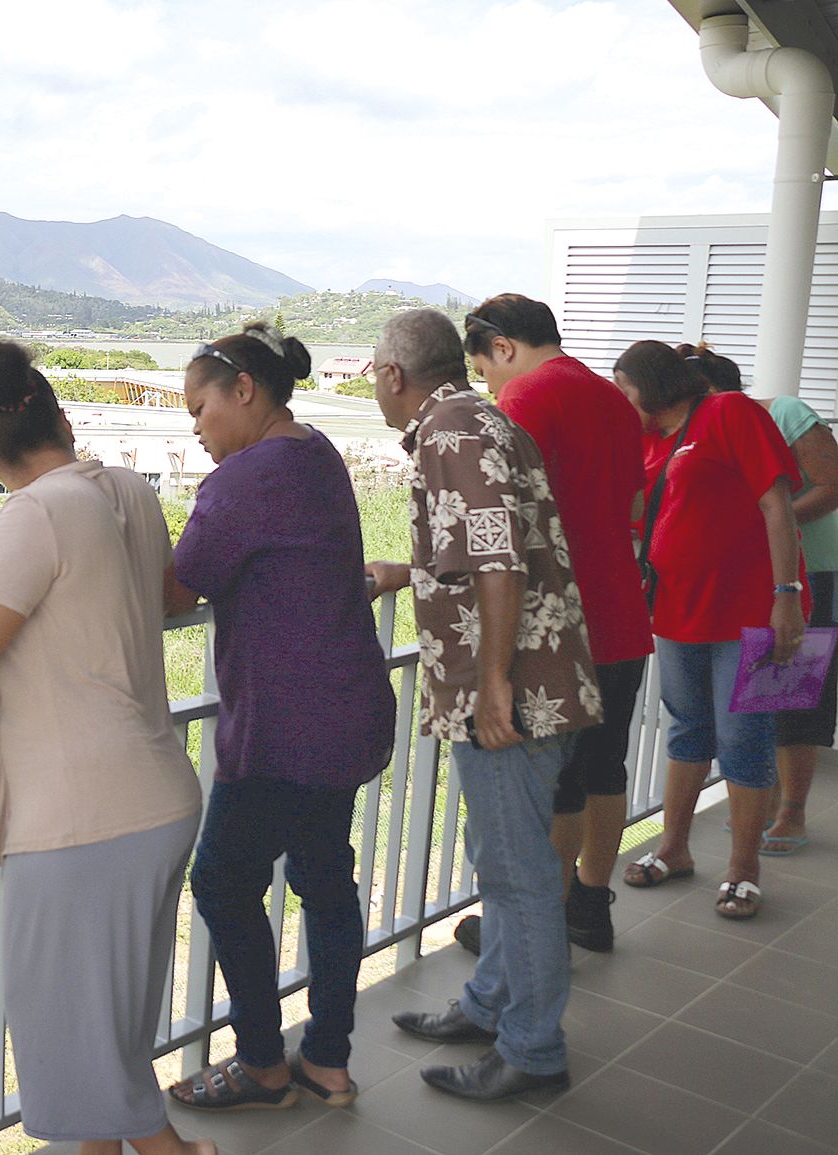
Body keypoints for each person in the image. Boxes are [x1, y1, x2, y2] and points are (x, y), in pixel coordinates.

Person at [0, 341, 211, 1155]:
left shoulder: (34, 514)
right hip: (154, 793)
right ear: (61, 416)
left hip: (79, 815)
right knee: (113, 1023)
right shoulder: (128, 489)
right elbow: (165, 595)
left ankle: (177, 1154)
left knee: (71, 1035)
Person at [367, 309, 601, 1101]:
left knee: (518, 874)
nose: (373, 384)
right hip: (528, 683)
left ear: (394, 375)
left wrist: (493, 684)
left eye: (374, 371)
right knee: (501, 858)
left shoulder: (452, 432)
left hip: (509, 694)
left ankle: (531, 1048)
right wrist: (408, 571)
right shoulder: (479, 419)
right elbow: (480, 548)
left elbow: (499, 561)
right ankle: (489, 1002)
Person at [166, 322, 396, 1111]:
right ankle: (326, 1057)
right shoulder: (314, 451)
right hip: (346, 708)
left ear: (243, 390)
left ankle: (263, 1062)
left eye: (199, 409)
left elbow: (176, 588)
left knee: (221, 880)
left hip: (284, 728)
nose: (194, 428)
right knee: (325, 877)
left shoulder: (244, 477)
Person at [452, 294, 653, 955]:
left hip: (560, 621)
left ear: (502, 347)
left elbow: (498, 515)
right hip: (621, 612)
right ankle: (589, 904)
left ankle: (540, 919)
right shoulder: (614, 401)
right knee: (604, 767)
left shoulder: (526, 397)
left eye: (484, 369)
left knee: (551, 781)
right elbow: (632, 499)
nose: (488, 384)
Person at [612, 341, 805, 921]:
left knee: (745, 738)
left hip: (754, 611)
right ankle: (674, 848)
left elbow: (778, 506)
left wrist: (788, 596)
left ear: (651, 385)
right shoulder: (646, 441)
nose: (621, 403)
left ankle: (744, 870)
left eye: (624, 390)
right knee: (688, 730)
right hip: (677, 613)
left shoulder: (728, 412)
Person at [678, 343, 838, 856]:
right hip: (755, 578)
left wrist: (768, 520)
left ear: (712, 392)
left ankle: (792, 810)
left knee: (794, 694)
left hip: (815, 571)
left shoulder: (784, 412)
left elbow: (831, 486)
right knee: (760, 695)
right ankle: (764, 801)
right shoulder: (698, 434)